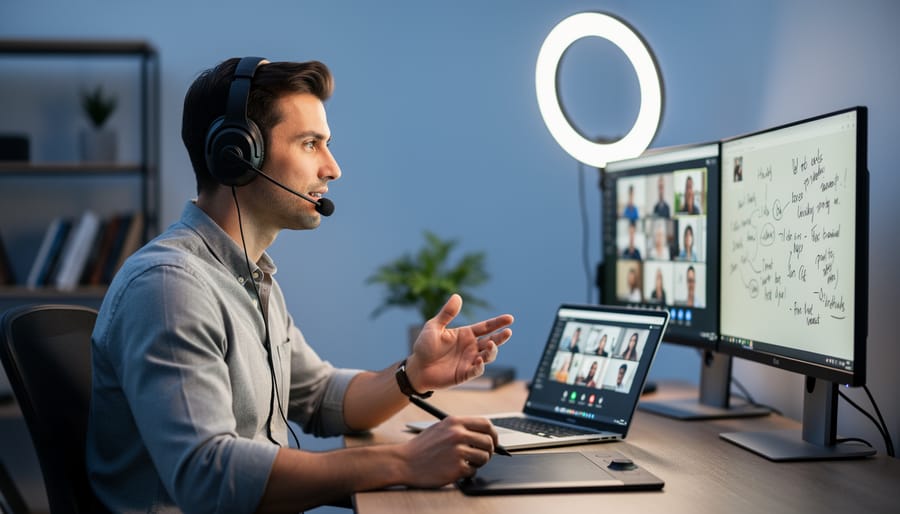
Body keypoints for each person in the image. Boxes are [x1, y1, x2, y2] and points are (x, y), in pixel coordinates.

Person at [85, 57, 515, 513]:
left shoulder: (249, 278)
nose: (333, 169)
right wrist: (404, 461)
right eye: (311, 144)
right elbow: (207, 477)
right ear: (237, 153)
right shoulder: (171, 288)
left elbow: (323, 399)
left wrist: (413, 374)